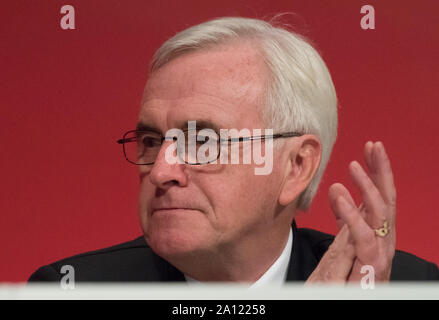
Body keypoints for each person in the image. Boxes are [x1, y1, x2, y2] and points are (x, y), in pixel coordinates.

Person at [29, 16, 438, 284]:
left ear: (295, 167)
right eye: (153, 141)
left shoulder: (406, 284)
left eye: (203, 142)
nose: (160, 171)